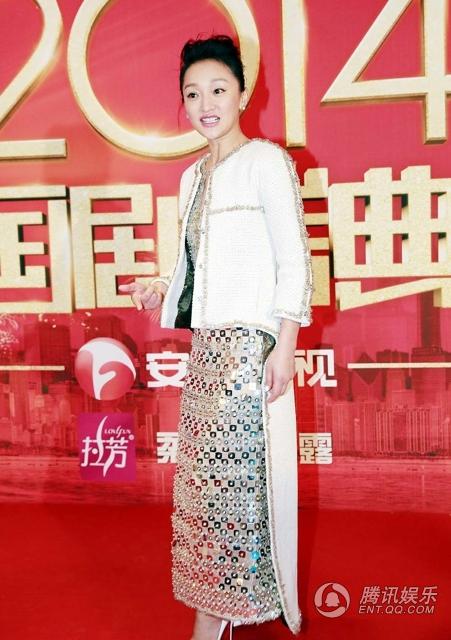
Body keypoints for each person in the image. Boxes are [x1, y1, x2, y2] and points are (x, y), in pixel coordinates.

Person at [119, 34, 313, 640]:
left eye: (218, 90)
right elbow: (193, 266)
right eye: (192, 94)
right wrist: (160, 286)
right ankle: (216, 609)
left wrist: (285, 345)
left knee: (237, 494)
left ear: (243, 94)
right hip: (206, 356)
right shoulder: (191, 178)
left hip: (249, 352)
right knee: (206, 494)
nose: (206, 104)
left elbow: (294, 260)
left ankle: (217, 617)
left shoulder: (266, 162)